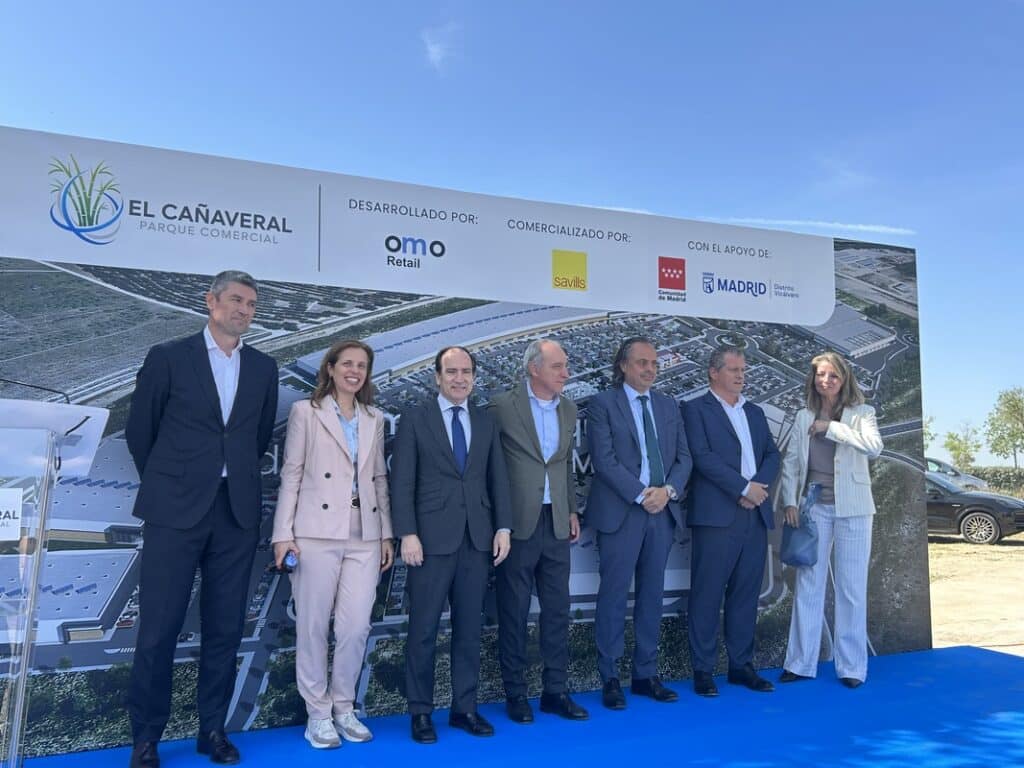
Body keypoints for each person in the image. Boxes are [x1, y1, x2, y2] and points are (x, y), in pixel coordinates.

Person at [125, 270, 279, 768]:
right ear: (210, 302)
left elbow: (254, 440)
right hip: (174, 512)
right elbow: (139, 431)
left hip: (235, 513)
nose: (244, 310)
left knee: (226, 628)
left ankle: (212, 729)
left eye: (252, 304)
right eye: (236, 300)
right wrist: (175, 484)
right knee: (158, 630)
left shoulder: (263, 367)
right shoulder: (169, 357)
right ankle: (146, 738)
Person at [271, 340, 394, 749]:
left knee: (356, 626)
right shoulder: (306, 412)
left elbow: (378, 479)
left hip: (365, 533)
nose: (354, 371)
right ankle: (318, 714)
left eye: (362, 365)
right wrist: (282, 534)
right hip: (314, 533)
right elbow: (291, 474)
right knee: (312, 626)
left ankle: (344, 706)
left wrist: (387, 533)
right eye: (348, 364)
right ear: (330, 368)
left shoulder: (374, 418)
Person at [390, 346, 513, 744]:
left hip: (477, 539)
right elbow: (402, 482)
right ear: (437, 377)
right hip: (428, 541)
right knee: (423, 631)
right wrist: (407, 532)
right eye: (451, 371)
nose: (459, 378)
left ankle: (464, 709)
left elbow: (498, 479)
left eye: (466, 372)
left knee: (469, 631)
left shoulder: (486, 421)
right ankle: (421, 713)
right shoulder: (414, 419)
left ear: (474, 377)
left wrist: (503, 528)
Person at [586, 337, 692, 710]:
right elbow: (604, 459)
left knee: (652, 594)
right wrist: (642, 494)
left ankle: (646, 674)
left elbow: (684, 458)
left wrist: (668, 492)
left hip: (662, 512)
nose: (649, 370)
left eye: (654, 364)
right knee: (614, 595)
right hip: (622, 512)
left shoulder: (668, 405)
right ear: (624, 367)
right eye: (642, 363)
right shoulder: (602, 404)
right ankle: (610, 676)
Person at [490, 339, 588, 724]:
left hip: (557, 523)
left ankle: (555, 691)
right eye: (558, 366)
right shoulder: (501, 407)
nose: (566, 373)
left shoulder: (568, 407)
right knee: (513, 612)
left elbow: (563, 464)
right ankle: (516, 694)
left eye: (565, 366)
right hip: (517, 525)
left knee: (557, 611)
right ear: (534, 369)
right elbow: (491, 469)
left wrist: (572, 509)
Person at [778, 352, 883, 689]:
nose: (826, 381)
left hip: (854, 509)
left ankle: (852, 667)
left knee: (851, 589)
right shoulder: (802, 416)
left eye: (833, 375)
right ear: (813, 379)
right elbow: (792, 462)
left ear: (844, 378)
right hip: (814, 510)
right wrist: (790, 501)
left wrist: (832, 428)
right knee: (809, 585)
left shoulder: (862, 413)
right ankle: (800, 663)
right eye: (821, 375)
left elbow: (873, 447)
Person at [683, 345, 779, 697]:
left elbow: (771, 453)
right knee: (707, 594)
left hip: (754, 514)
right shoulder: (695, 410)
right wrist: (742, 488)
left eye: (743, 370)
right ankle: (703, 670)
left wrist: (757, 489)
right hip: (717, 515)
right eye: (734, 370)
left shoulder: (753, 411)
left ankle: (741, 665)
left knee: (746, 594)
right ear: (713, 372)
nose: (741, 376)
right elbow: (702, 457)